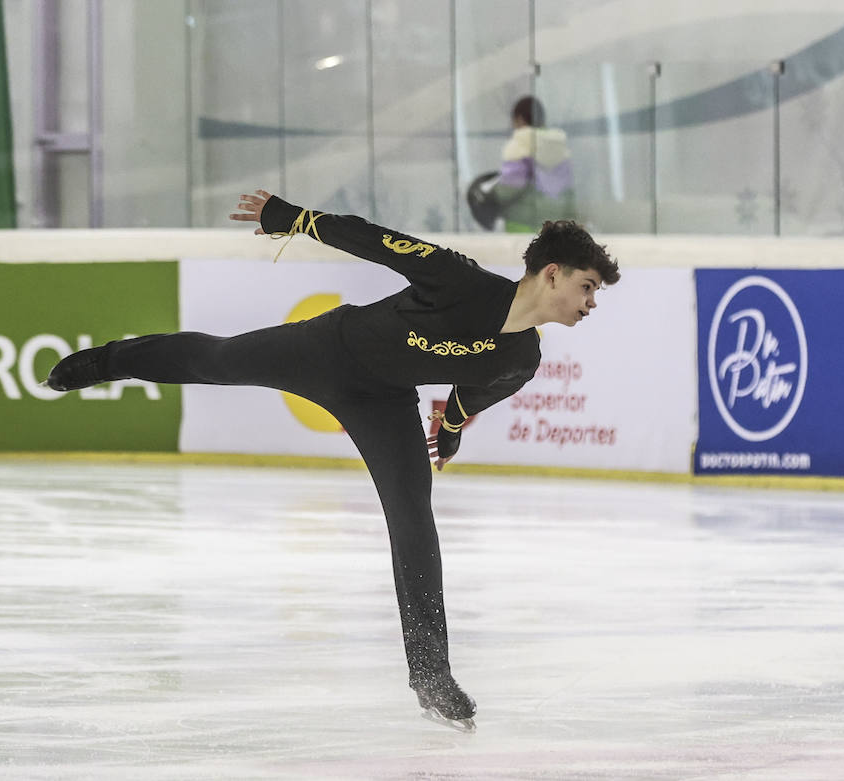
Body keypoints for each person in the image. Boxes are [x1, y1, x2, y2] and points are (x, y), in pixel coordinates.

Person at [45, 190, 619, 731]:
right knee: (219, 361)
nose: (592, 304)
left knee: (414, 520)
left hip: (384, 401)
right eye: (588, 287)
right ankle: (106, 362)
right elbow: (376, 240)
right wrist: (292, 217)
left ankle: (431, 674)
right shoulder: (461, 281)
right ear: (552, 274)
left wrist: (448, 434)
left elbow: (472, 394)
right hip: (327, 350)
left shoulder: (523, 357)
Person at [493, 95, 576, 232]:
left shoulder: (520, 145)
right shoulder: (559, 147)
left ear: (520, 119)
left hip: (521, 224)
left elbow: (508, 190)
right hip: (554, 226)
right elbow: (569, 192)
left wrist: (492, 193)